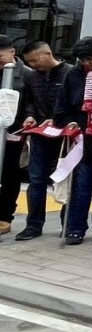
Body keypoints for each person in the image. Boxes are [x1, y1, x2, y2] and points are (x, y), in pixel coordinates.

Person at [56, 36, 92, 245]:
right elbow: (62, 108)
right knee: (81, 186)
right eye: (83, 60)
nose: (87, 64)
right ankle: (75, 228)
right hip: (82, 139)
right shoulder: (73, 75)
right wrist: (70, 123)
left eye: (91, 59)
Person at [14, 41, 72, 241]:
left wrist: (57, 118)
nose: (33, 65)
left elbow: (75, 103)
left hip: (65, 136)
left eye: (35, 60)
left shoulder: (70, 74)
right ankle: (33, 225)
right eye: (29, 62)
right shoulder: (32, 77)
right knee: (36, 180)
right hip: (40, 134)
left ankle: (69, 225)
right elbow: (29, 101)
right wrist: (29, 115)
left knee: (66, 180)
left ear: (48, 53)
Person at [0, 35, 30, 237]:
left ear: (12, 52)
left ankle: (4, 216)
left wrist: (28, 117)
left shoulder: (27, 75)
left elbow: (31, 102)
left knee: (10, 173)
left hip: (14, 132)